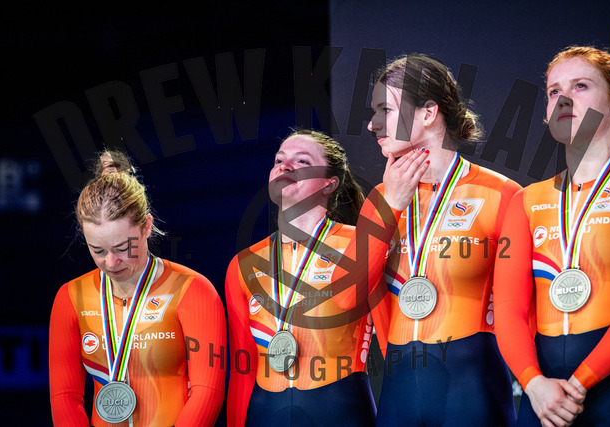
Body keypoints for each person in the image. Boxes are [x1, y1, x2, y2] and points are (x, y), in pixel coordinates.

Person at [225, 128, 428, 426]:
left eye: (302, 161)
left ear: (329, 183)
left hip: (342, 411)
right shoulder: (244, 264)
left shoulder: (362, 243)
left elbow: (391, 347)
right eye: (279, 160)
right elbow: (242, 370)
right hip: (264, 413)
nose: (285, 166)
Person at [368, 54, 520, 426]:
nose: (372, 124)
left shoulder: (502, 194)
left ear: (428, 113)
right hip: (399, 389)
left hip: (473, 387)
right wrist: (392, 208)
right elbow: (352, 294)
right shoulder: (379, 200)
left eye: (386, 110)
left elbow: (524, 309)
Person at [495, 46, 610, 426]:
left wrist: (580, 382)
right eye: (554, 91)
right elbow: (508, 308)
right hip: (542, 398)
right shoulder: (526, 201)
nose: (564, 99)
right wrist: (533, 383)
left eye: (580, 86)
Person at [49, 151, 226, 426]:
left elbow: (208, 392)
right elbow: (65, 397)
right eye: (98, 250)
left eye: (123, 248)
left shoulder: (192, 289)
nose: (111, 262)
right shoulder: (71, 297)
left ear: (147, 227)